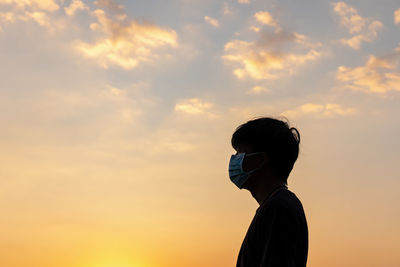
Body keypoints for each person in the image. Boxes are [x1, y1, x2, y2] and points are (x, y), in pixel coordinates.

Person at [228, 117, 308, 267]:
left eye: (239, 154)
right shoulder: (274, 206)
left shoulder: (279, 208)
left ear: (260, 159)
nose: (234, 160)